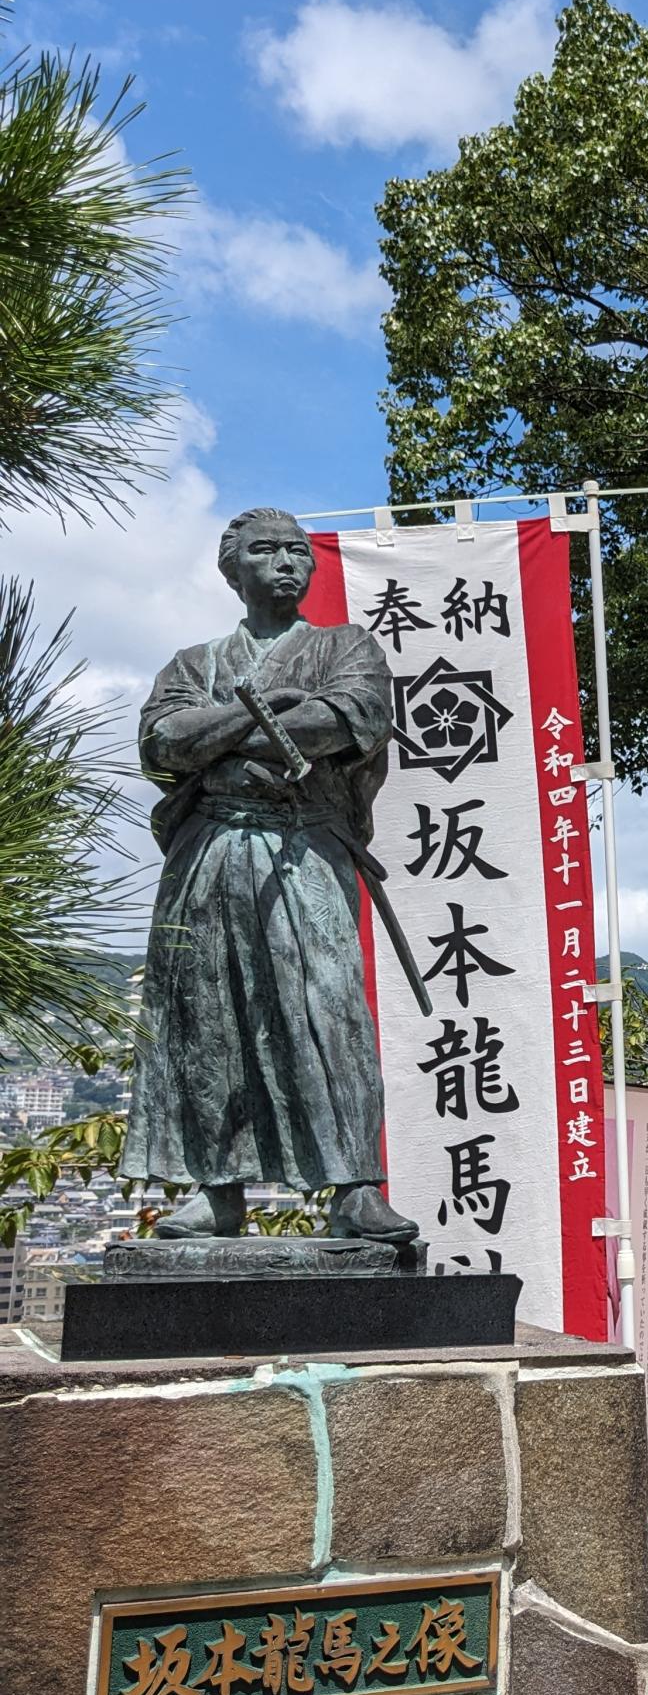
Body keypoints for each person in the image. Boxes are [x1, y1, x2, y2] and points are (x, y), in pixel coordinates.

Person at [120, 507, 417, 1243]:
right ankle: (215, 1189)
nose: (287, 561)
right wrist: (266, 714)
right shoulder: (194, 664)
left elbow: (346, 720)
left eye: (296, 551)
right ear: (234, 569)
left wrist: (220, 733)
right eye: (265, 550)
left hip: (303, 847)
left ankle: (353, 1187)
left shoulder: (347, 647)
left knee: (328, 1006)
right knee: (206, 1016)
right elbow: (163, 746)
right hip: (210, 851)